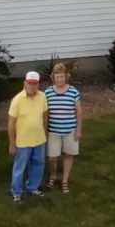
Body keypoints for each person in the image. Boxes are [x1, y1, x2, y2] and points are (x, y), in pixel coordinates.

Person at [8, 71, 49, 203]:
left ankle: (32, 187)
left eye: (35, 84)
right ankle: (16, 192)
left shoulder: (42, 97)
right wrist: (12, 143)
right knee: (19, 167)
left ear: (38, 84)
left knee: (38, 164)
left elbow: (44, 116)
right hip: (23, 142)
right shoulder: (17, 99)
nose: (32, 86)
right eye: (30, 83)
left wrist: (45, 133)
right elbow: (11, 124)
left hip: (39, 139)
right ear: (25, 83)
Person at [43, 63, 83, 193]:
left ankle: (65, 180)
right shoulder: (48, 92)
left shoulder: (73, 91)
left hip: (70, 130)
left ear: (66, 77)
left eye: (62, 77)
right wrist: (45, 131)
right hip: (53, 131)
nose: (59, 79)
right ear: (53, 77)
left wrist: (78, 130)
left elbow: (79, 111)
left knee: (68, 154)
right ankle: (53, 175)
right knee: (51, 157)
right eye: (57, 77)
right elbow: (46, 113)